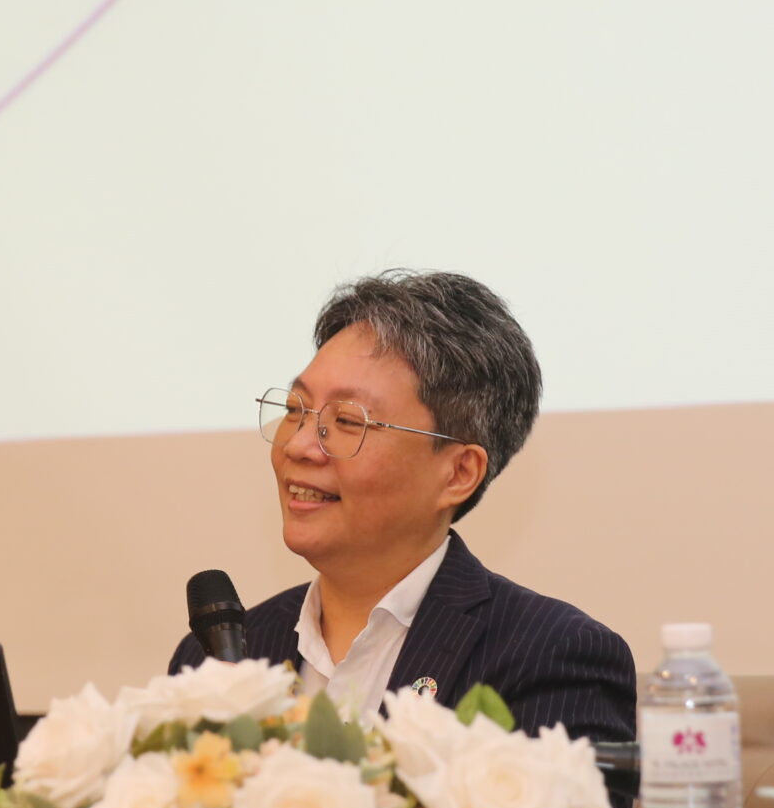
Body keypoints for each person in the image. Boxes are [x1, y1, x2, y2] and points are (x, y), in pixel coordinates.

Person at [168, 270, 636, 759]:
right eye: (295, 410)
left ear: (458, 473)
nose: (300, 446)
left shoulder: (552, 657)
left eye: (346, 421)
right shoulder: (215, 660)